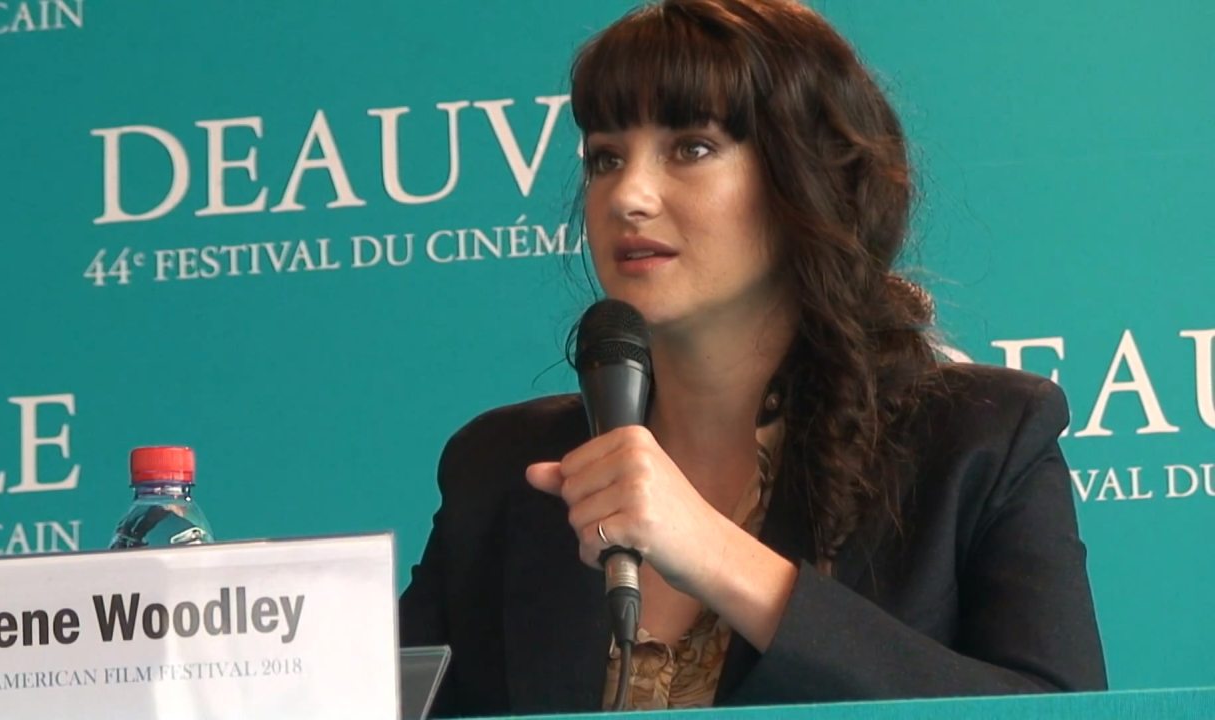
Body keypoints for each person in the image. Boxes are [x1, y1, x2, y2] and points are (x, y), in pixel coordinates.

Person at [399, 0, 1108, 715]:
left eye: (691, 148)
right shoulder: (502, 469)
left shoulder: (980, 440)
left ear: (806, 174)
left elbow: (1061, 713)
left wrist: (711, 552)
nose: (628, 196)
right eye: (606, 158)